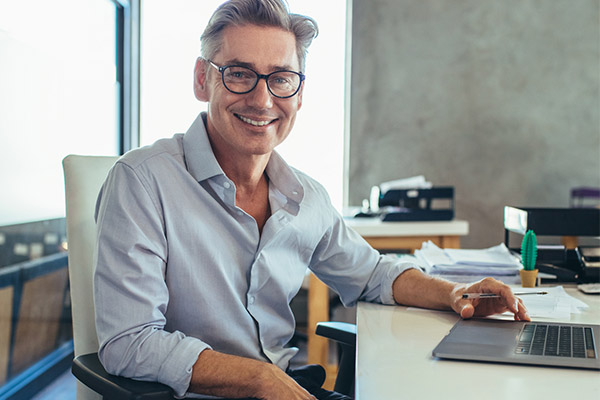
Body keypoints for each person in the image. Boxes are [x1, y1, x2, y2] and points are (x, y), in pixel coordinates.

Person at [93, 1, 530, 399]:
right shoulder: (142, 181)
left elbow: (372, 275)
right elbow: (129, 341)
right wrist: (259, 377)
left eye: (281, 78)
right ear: (202, 79)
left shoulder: (304, 196)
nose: (262, 100)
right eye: (240, 74)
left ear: (299, 93)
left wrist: (454, 293)